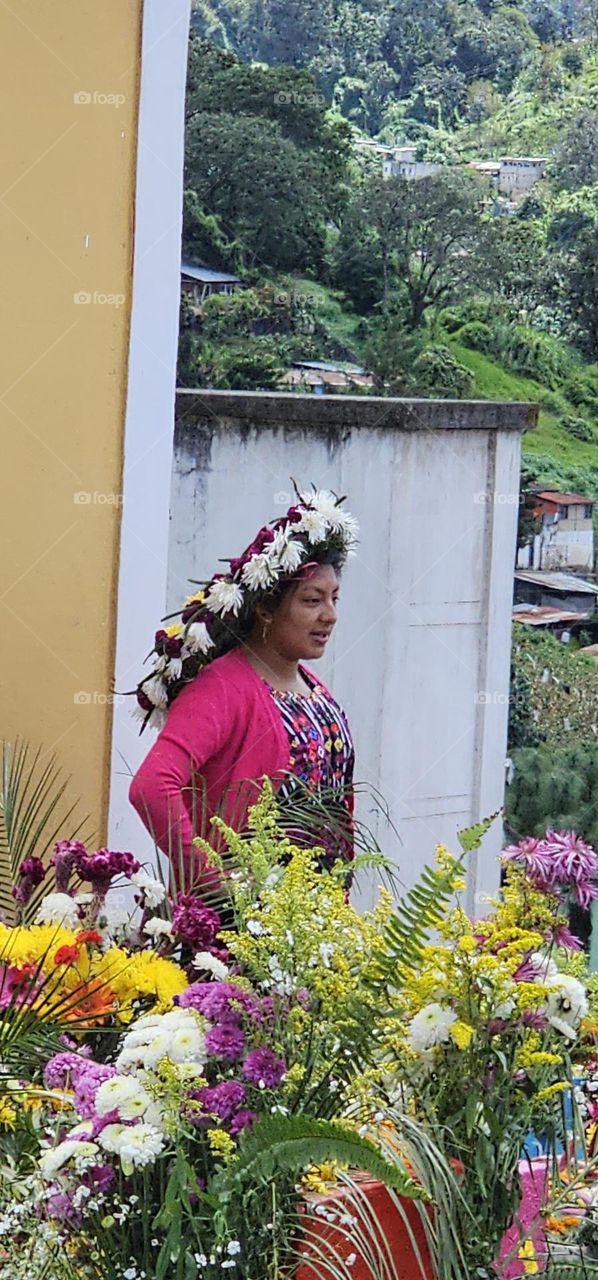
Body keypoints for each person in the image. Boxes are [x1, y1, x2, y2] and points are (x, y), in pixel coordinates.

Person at [128, 487, 359, 895]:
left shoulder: (315, 690)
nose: (331, 615)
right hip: (238, 935)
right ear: (265, 609)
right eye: (312, 600)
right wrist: (215, 885)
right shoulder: (222, 688)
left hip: (311, 932)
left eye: (334, 598)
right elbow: (151, 786)